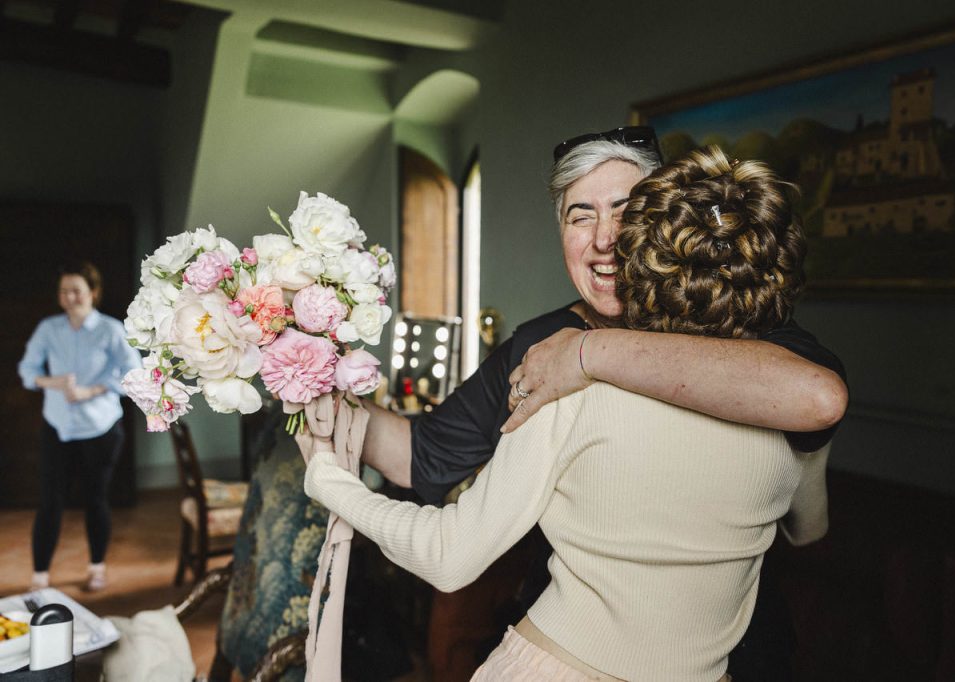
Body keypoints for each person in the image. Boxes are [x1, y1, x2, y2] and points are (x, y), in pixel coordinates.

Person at [303, 145, 831, 680]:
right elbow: (426, 455)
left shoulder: (571, 385)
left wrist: (328, 482)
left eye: (625, 213)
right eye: (581, 215)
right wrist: (311, 374)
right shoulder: (539, 351)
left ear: (659, 233)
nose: (605, 239)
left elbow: (449, 554)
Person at [17, 261, 142, 591]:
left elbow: (132, 374)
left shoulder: (111, 330)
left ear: (93, 293)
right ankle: (40, 575)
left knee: (96, 498)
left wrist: (92, 389)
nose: (69, 298)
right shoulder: (48, 329)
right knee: (50, 501)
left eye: (76, 291)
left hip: (100, 427)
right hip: (57, 427)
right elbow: (27, 372)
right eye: (63, 292)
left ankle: (96, 567)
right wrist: (53, 381)